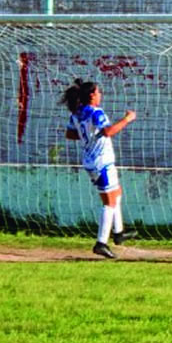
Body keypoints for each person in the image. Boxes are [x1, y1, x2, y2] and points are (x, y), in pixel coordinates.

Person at [61, 79, 137, 259]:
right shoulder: (96, 112)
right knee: (109, 202)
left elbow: (70, 134)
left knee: (117, 193)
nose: (100, 95)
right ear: (92, 96)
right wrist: (127, 119)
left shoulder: (77, 113)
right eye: (98, 92)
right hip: (101, 162)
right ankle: (101, 243)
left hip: (92, 161)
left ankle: (119, 233)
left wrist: (87, 136)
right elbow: (108, 131)